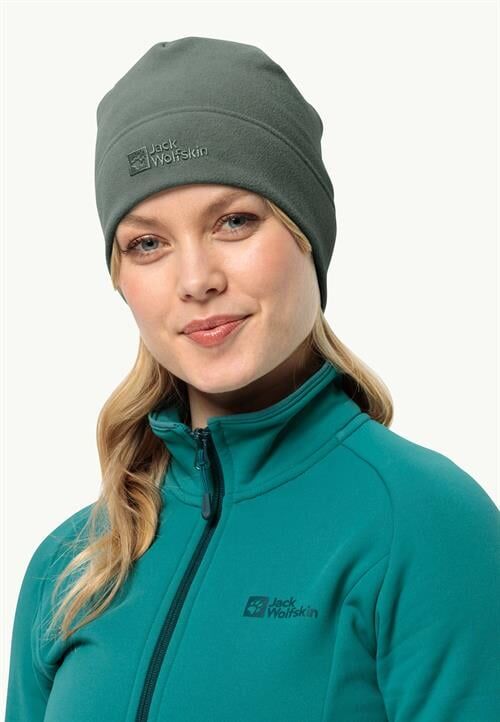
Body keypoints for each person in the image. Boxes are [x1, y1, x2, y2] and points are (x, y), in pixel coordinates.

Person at [5, 37, 500, 722]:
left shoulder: (423, 524)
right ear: (120, 279)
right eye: (147, 243)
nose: (196, 280)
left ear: (306, 233)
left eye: (234, 222)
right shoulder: (71, 568)